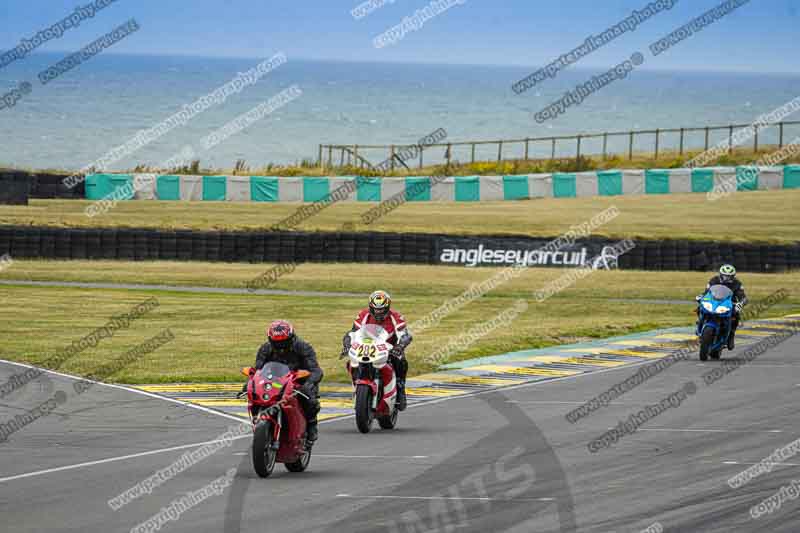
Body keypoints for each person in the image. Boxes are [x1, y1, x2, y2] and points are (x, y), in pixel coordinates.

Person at [241, 320, 323, 442]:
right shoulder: (265, 349)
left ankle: (311, 425)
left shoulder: (304, 347)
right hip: (274, 383)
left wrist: (308, 383)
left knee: (309, 399)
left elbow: (316, 371)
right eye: (276, 343)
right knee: (252, 393)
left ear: (291, 338)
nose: (280, 347)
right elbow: (258, 370)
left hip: (298, 383)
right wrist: (251, 382)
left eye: (283, 342)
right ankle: (258, 421)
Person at [341, 290, 412, 411]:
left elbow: (405, 335)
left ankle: (400, 388)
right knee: (351, 362)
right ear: (371, 307)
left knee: (401, 361)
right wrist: (347, 344)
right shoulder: (363, 315)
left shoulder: (396, 317)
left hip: (390, 348)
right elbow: (352, 332)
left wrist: (400, 346)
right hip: (367, 346)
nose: (378, 312)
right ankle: (357, 387)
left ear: (387, 307)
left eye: (381, 309)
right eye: (375, 309)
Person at [696, 264, 747, 350]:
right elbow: (706, 292)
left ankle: (731, 335)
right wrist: (701, 297)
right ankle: (700, 323)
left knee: (736, 315)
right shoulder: (713, 280)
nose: (726, 278)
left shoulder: (737, 284)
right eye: (724, 276)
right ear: (720, 274)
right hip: (714, 301)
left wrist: (740, 303)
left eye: (729, 276)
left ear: (733, 276)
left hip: (729, 303)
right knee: (699, 308)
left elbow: (743, 297)